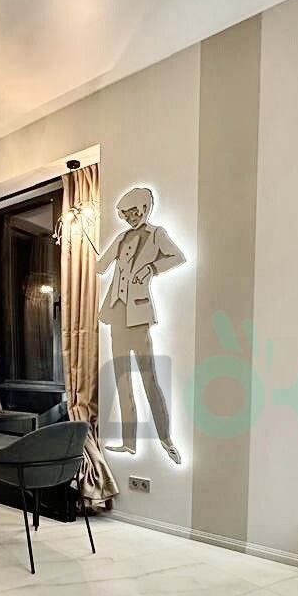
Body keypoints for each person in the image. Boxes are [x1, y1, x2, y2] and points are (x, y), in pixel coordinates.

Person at [97, 187, 185, 464]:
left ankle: (166, 439)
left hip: (139, 317)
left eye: (135, 211)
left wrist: (152, 268)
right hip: (116, 315)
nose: (131, 217)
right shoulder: (121, 237)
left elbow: (178, 256)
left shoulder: (157, 234)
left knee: (149, 379)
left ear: (145, 208)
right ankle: (129, 442)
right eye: (126, 214)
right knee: (122, 379)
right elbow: (100, 267)